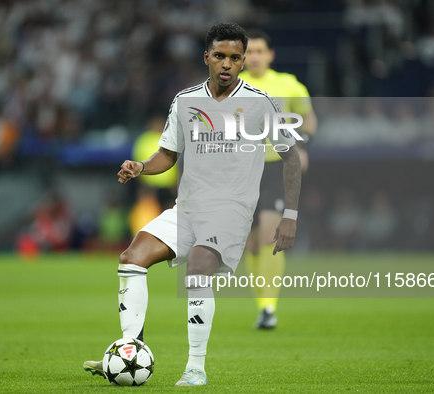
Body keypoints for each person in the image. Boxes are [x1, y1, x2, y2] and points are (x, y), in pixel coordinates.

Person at [84, 22, 301, 386]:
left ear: (244, 61)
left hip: (231, 209)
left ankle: (195, 368)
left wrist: (290, 216)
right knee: (131, 258)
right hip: (187, 208)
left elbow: (291, 158)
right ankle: (130, 349)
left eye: (235, 57)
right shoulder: (186, 101)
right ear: (207, 57)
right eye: (220, 56)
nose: (227, 64)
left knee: (199, 268)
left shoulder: (260, 104)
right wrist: (141, 167)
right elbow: (167, 155)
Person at [239, 29, 317, 329]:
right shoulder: (232, 85)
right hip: (242, 168)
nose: (255, 57)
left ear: (270, 55)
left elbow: (308, 116)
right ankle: (262, 305)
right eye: (250, 52)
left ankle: (268, 308)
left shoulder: (288, 85)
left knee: (271, 234)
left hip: (275, 167)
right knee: (252, 243)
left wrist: (303, 144)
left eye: (260, 51)